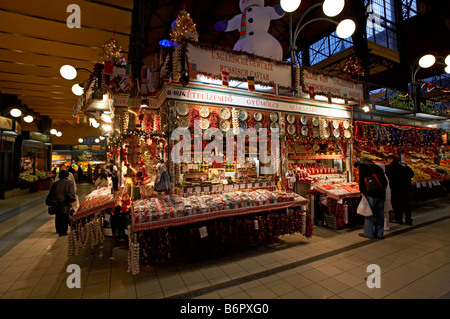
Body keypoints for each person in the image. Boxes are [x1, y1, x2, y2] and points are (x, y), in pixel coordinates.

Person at [355, 157, 388, 239]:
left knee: (369, 212)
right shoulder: (377, 167)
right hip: (381, 193)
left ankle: (368, 233)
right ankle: (380, 233)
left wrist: (362, 191)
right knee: (380, 214)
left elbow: (362, 180)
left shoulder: (363, 166)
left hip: (371, 193)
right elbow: (385, 182)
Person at [385, 154, 415, 225]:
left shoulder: (388, 168)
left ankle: (398, 219)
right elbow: (412, 174)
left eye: (388, 160)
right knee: (407, 205)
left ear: (391, 160)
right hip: (406, 188)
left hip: (396, 189)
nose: (387, 162)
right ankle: (408, 220)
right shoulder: (404, 165)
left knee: (397, 205)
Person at [46, 170, 76, 236]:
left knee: (58, 217)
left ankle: (58, 230)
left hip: (55, 203)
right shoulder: (69, 183)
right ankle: (63, 232)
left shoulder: (55, 183)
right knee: (64, 217)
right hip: (64, 203)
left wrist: (48, 202)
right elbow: (70, 193)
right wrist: (72, 200)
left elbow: (50, 194)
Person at [377, 163, 393, 231]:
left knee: (384, 212)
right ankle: (385, 225)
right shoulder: (384, 175)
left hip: (384, 196)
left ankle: (385, 225)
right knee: (385, 212)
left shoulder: (381, 176)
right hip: (386, 196)